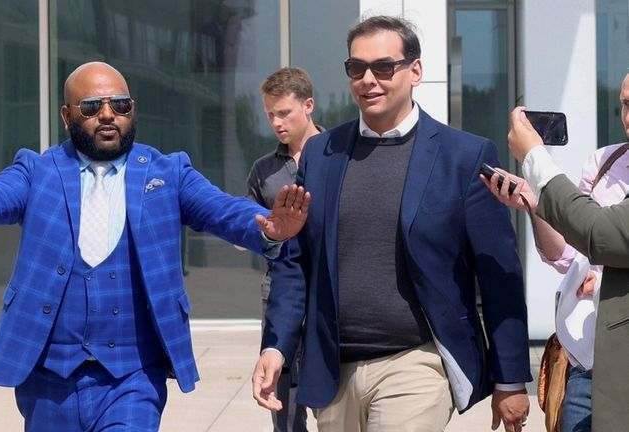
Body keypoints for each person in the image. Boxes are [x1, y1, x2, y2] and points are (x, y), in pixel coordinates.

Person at [0, 61, 310, 432]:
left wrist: (268, 228)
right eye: (92, 106)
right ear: (67, 116)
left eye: (120, 105)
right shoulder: (38, 170)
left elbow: (223, 209)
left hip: (133, 374)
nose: (108, 114)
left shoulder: (166, 172)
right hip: (49, 376)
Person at [251, 15, 532, 432]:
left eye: (384, 67)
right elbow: (296, 261)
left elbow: (498, 274)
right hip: (334, 369)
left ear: (415, 70)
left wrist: (510, 378)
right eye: (356, 68)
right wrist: (276, 345)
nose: (368, 79)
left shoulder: (463, 156)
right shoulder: (320, 153)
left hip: (417, 362)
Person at [501, 72, 629, 432]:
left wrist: (537, 160)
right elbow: (570, 253)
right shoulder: (605, 162)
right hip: (585, 364)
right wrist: (533, 202)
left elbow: (598, 234)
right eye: (625, 104)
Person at [245, 66, 323, 432]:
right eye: (270, 114)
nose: (276, 122)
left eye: (284, 113)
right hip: (279, 294)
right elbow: (250, 232)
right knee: (286, 412)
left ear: (308, 106)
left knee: (333, 405)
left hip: (329, 296)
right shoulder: (263, 170)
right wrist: (266, 234)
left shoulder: (339, 156)